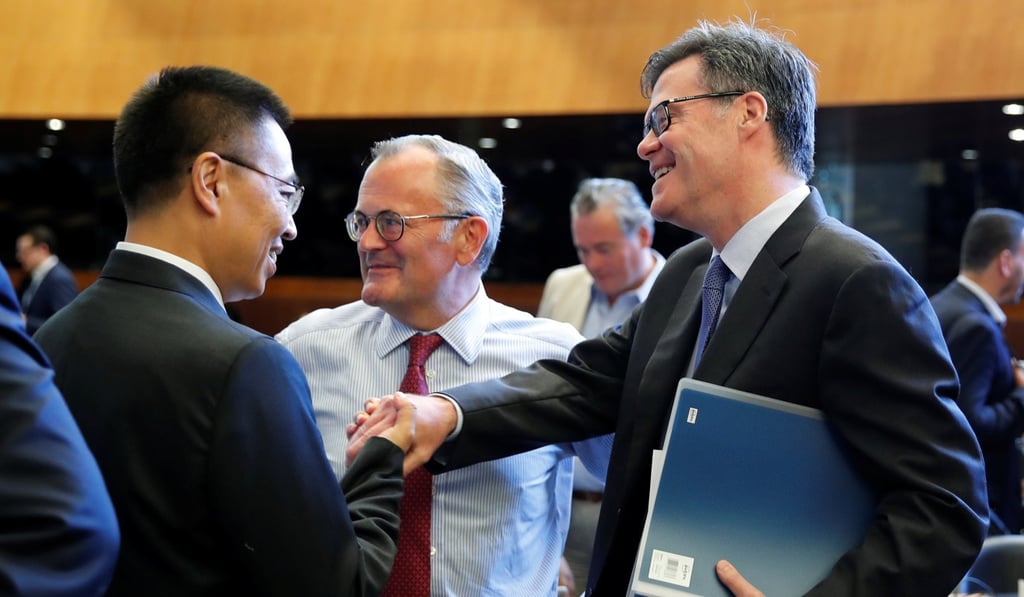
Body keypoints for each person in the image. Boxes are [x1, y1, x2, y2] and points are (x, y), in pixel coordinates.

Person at [350, 18, 989, 597]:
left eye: (664, 119)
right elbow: (588, 385)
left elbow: (945, 505)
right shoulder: (690, 271)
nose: (645, 146)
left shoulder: (856, 280)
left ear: (748, 113)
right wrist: (450, 414)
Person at [33, 65, 415, 597]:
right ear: (210, 180)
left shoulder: (47, 342)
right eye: (284, 192)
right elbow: (337, 586)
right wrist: (382, 457)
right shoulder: (244, 363)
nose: (291, 224)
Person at [277, 134, 608, 597]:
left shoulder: (552, 358)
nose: (368, 242)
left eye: (391, 223)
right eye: (362, 221)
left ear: (469, 238)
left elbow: (635, 478)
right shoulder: (302, 351)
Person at [536, 177, 665, 590]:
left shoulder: (683, 294)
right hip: (560, 505)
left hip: (637, 513)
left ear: (643, 234)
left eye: (604, 248)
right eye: (582, 250)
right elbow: (543, 393)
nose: (591, 263)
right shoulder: (562, 285)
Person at [0, 264, 119, 595]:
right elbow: (77, 528)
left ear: (41, 249)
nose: (19, 255)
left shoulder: (60, 284)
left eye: (24, 248)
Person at [931, 207, 1024, 536]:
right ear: (1005, 262)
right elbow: (972, 423)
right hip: (982, 506)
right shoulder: (977, 327)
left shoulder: (940, 304)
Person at [15, 225, 78, 334]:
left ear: (43, 249)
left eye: (25, 251)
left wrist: (25, 322)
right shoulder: (32, 276)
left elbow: (64, 324)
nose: (19, 257)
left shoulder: (60, 279)